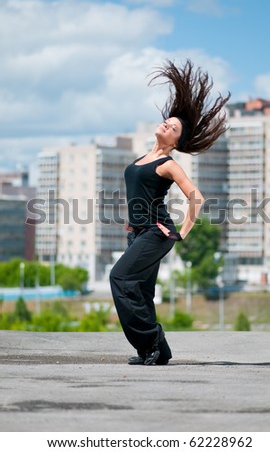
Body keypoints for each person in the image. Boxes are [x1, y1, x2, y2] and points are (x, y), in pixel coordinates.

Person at [110, 59, 230, 365]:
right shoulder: (142, 158)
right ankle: (153, 351)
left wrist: (181, 233)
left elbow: (196, 198)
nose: (166, 124)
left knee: (120, 279)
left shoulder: (167, 164)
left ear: (177, 141)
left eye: (173, 127)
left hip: (156, 232)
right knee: (141, 291)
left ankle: (151, 339)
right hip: (137, 233)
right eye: (168, 121)